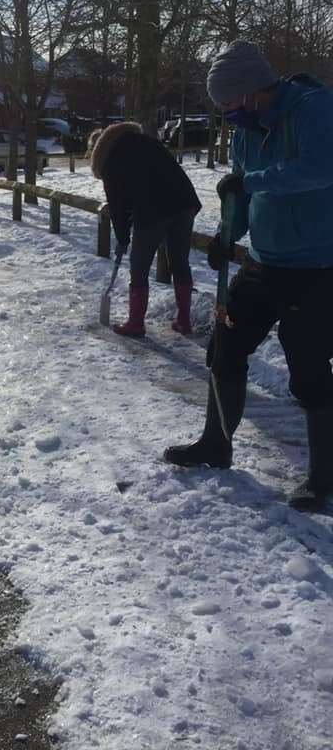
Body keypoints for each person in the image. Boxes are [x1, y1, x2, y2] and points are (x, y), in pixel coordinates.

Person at [165, 40, 333, 511]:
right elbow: (240, 192)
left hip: (317, 265)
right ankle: (215, 443)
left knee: (310, 373)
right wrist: (226, 234)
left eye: (228, 104)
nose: (226, 114)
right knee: (224, 346)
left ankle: (324, 478)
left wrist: (252, 182)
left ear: (254, 90)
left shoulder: (313, 109)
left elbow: (321, 168)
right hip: (263, 261)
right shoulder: (245, 128)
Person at [90, 122, 201, 336]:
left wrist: (122, 239)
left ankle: (136, 322)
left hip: (153, 209)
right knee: (179, 261)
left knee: (139, 266)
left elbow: (118, 207)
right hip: (185, 203)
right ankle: (184, 320)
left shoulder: (110, 160)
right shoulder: (147, 142)